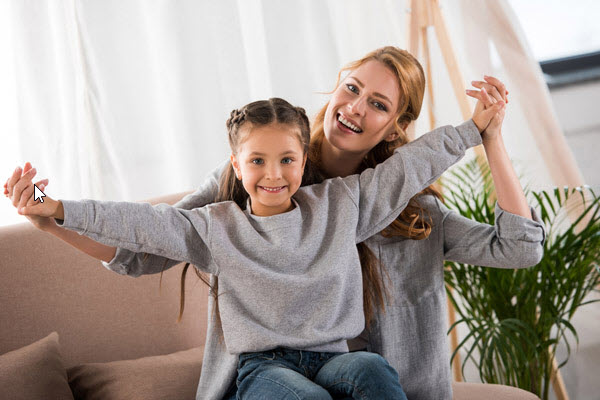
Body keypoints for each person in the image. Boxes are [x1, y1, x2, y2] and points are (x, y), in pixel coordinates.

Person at [5, 46, 544, 400]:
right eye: (352, 87)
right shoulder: (234, 199)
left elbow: (511, 241)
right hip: (269, 370)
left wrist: (483, 134)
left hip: (365, 373)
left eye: (378, 103)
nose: (355, 107)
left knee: (371, 375)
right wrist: (54, 215)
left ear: (396, 126)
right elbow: (146, 234)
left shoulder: (374, 205)